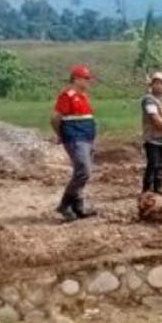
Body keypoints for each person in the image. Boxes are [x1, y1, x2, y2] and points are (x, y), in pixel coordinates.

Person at [51, 65, 98, 221]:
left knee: (82, 171)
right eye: (85, 79)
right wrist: (61, 134)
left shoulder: (83, 96)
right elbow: (55, 118)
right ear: (76, 79)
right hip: (75, 138)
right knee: (83, 171)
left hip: (86, 138)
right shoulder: (67, 95)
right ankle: (64, 205)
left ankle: (78, 207)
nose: (88, 82)